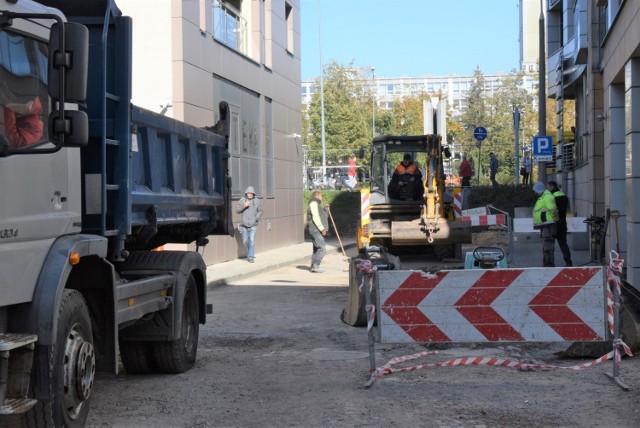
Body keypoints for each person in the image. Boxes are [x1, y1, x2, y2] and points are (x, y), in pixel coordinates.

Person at [532, 181, 559, 267]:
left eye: (535, 191)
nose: (535, 192)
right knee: (546, 246)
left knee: (548, 246)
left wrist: (555, 221)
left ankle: (549, 264)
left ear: (539, 190)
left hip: (548, 225)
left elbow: (553, 210)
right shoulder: (543, 196)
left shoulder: (547, 197)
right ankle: (547, 263)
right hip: (546, 225)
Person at [548, 180, 572, 266]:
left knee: (550, 245)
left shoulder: (551, 197)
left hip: (553, 223)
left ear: (551, 187)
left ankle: (550, 263)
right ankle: (568, 262)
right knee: (563, 244)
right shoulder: (564, 196)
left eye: (548, 187)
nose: (548, 189)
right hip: (562, 223)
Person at [236, 186, 263, 263]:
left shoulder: (257, 201)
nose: (250, 194)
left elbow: (260, 211)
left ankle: (250, 257)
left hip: (253, 224)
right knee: (245, 241)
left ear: (253, 194)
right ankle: (249, 254)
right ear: (246, 193)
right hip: (244, 224)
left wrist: (256, 218)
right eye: (248, 193)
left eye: (251, 193)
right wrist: (244, 206)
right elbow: (237, 210)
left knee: (251, 240)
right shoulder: (242, 200)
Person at [307, 190, 329, 273]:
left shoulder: (317, 205)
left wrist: (326, 210)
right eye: (321, 196)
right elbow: (316, 218)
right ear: (317, 196)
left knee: (316, 249)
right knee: (322, 248)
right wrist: (322, 229)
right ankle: (315, 266)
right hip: (315, 230)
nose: (322, 197)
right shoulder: (313, 204)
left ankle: (313, 266)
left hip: (316, 230)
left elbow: (323, 217)